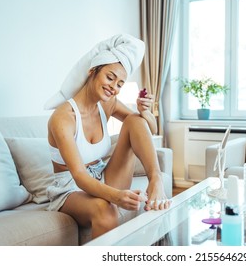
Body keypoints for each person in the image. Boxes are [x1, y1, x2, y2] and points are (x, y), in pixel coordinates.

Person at [45, 34, 170, 239]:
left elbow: (148, 129)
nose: (114, 87)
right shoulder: (63, 117)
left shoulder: (107, 103)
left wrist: (145, 112)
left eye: (120, 84)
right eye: (110, 77)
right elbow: (80, 176)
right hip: (71, 188)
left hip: (102, 176)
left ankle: (156, 180)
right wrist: (118, 197)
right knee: (106, 210)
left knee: (135, 120)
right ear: (92, 71)